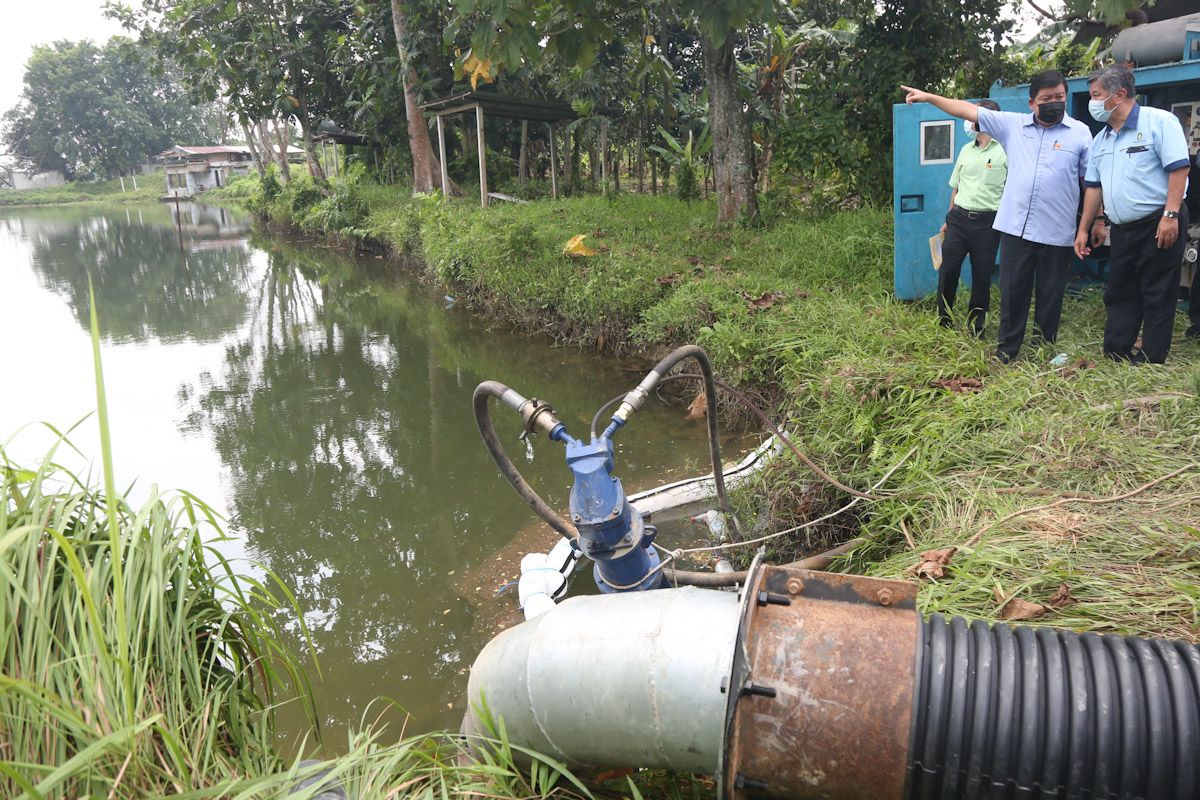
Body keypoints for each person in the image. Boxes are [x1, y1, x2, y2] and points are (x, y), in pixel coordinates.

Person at [903, 71, 1093, 362]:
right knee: (1012, 291)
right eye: (1047, 99)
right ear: (1032, 103)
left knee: (1050, 293)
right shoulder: (1013, 126)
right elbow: (966, 109)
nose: (1054, 103)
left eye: (1059, 97)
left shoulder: (1080, 133)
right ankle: (1007, 350)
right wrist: (929, 97)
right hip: (1015, 227)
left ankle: (1043, 347)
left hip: (1057, 229)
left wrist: (1089, 225)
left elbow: (1090, 183)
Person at [1074, 65, 1190, 364]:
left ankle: (1152, 357)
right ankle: (1117, 351)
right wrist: (1086, 227)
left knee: (1157, 291)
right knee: (1120, 290)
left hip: (1158, 221)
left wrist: (1171, 215)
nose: (1093, 102)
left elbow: (1179, 168)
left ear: (1120, 94)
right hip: (1123, 228)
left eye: (1097, 95)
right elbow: (1094, 188)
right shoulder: (1102, 140)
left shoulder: (1159, 122)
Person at [937, 100, 1007, 335]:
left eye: (974, 115)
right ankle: (944, 321)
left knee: (982, 276)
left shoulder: (1005, 150)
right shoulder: (966, 149)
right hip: (958, 219)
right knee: (948, 271)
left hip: (987, 224)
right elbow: (956, 186)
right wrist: (948, 217)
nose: (969, 120)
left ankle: (976, 327)